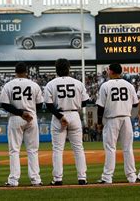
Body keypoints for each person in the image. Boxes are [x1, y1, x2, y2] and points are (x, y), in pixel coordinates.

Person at [0, 62, 43, 187]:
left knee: (14, 150)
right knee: (33, 150)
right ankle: (36, 180)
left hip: (15, 118)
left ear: (15, 72)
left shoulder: (9, 85)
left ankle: (13, 180)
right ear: (26, 72)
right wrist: (28, 112)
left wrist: (20, 112)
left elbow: (4, 104)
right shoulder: (34, 85)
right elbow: (39, 104)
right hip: (31, 117)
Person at [45, 58, 88, 186]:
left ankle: (57, 179)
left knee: (58, 149)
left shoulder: (51, 84)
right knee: (78, 148)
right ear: (69, 68)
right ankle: (82, 178)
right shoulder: (78, 83)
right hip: (74, 114)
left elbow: (48, 105)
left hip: (59, 116)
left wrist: (60, 116)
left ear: (56, 69)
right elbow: (85, 102)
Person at [96, 63, 139, 184]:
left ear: (112, 71)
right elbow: (135, 104)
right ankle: (132, 177)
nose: (108, 71)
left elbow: (100, 107)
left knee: (110, 148)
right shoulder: (129, 85)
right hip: (126, 118)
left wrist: (99, 122)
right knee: (128, 148)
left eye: (109, 70)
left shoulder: (105, 85)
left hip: (112, 119)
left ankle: (107, 177)